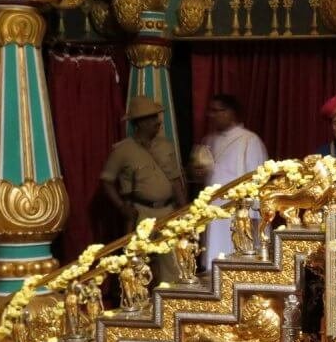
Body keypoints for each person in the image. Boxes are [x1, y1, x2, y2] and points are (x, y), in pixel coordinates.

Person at [100, 95, 186, 284]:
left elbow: (175, 179)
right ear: (140, 123)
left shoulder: (165, 145)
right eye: (151, 118)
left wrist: (183, 209)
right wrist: (122, 207)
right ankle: (139, 304)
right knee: (137, 263)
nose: (157, 122)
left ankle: (170, 302)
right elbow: (106, 180)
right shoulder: (123, 150)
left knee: (172, 263)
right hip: (141, 213)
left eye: (156, 117)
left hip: (167, 211)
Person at [192, 94, 268, 268]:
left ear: (231, 113)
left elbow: (256, 179)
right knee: (213, 257)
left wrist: (254, 214)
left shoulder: (249, 140)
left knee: (236, 259)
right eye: (211, 111)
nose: (214, 115)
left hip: (237, 210)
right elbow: (204, 177)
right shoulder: (208, 140)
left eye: (219, 111)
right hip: (213, 208)